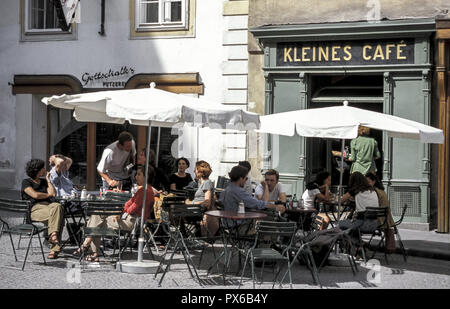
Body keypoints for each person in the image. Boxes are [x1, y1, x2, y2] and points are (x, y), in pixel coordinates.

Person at [76, 165, 155, 262]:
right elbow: (127, 204)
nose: (136, 177)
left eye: (139, 174)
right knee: (98, 218)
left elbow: (131, 208)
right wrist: (122, 211)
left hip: (130, 222)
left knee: (96, 219)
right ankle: (91, 249)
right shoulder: (147, 190)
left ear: (146, 177)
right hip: (130, 220)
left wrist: (121, 213)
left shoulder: (144, 191)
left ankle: (89, 247)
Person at [220, 165, 286, 235]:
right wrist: (275, 207)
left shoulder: (226, 190)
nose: (246, 181)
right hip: (239, 227)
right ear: (240, 178)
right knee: (269, 223)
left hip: (228, 225)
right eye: (246, 178)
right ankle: (265, 245)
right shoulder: (238, 191)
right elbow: (258, 204)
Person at [21, 159, 64, 259]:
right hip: (35, 209)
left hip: (50, 207)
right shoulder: (26, 182)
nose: (45, 169)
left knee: (57, 207)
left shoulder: (45, 181)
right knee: (59, 215)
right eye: (42, 168)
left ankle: (53, 236)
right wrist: (47, 195)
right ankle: (54, 249)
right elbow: (35, 195)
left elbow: (54, 193)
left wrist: (48, 180)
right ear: (37, 170)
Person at [366, 173, 396, 253]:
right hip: (386, 219)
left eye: (368, 182)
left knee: (355, 225)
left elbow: (370, 206)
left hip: (379, 221)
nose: (366, 184)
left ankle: (359, 247)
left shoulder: (374, 192)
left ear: (374, 182)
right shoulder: (381, 190)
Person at [187, 160, 216, 236]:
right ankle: (184, 236)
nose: (194, 171)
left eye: (196, 169)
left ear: (201, 171)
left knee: (173, 212)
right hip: (196, 210)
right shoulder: (202, 183)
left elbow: (207, 202)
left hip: (198, 212)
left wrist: (190, 203)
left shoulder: (207, 183)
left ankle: (182, 237)